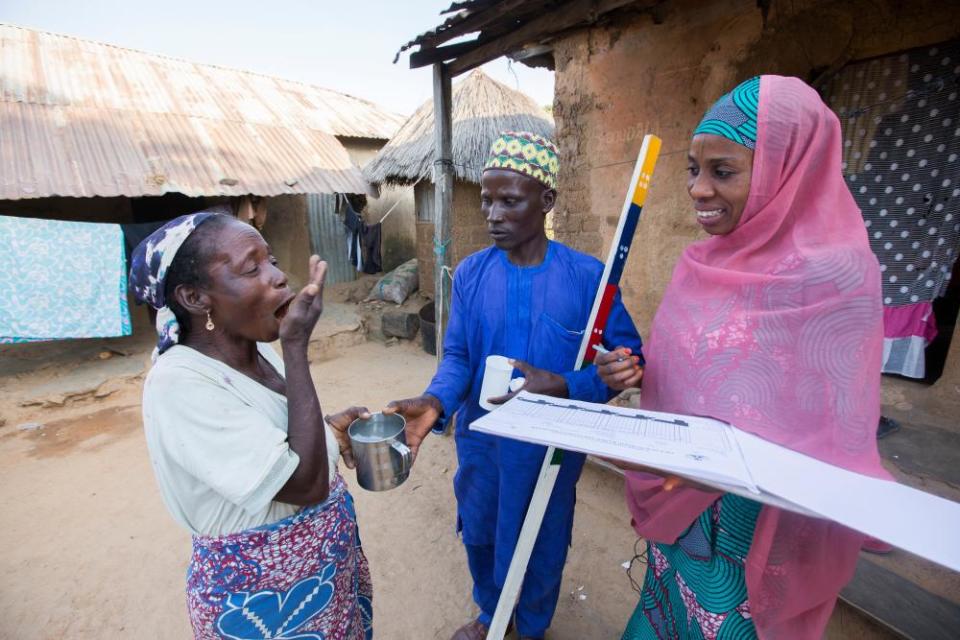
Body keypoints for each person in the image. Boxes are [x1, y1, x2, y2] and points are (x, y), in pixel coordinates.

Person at [596, 76, 890, 639]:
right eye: (693, 169)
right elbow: (688, 366)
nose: (699, 189)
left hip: (758, 527)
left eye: (723, 171)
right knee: (670, 611)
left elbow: (839, 421)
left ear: (789, 168)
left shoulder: (836, 276)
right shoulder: (699, 266)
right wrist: (633, 368)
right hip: (681, 504)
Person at [385, 131, 645, 640]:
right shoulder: (472, 274)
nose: (493, 214)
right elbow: (459, 355)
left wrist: (573, 383)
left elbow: (626, 359)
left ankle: (528, 627)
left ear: (546, 201)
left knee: (543, 539)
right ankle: (492, 616)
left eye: (510, 200)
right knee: (481, 530)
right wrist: (437, 400)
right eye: (487, 200)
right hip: (482, 442)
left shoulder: (587, 278)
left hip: (549, 452)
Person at [129, 210, 373, 640]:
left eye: (273, 260)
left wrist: (331, 430)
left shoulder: (254, 353)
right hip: (263, 603)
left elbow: (281, 441)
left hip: (321, 579)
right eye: (252, 267)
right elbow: (304, 485)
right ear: (195, 298)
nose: (278, 276)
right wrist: (296, 345)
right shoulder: (179, 384)